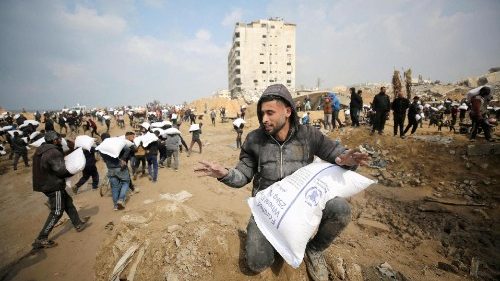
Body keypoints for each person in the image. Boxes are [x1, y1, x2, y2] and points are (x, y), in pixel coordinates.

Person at [194, 84, 368, 281]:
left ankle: (314, 250)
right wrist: (224, 174)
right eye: (262, 114)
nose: (264, 119)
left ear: (287, 111)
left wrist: (347, 160)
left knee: (340, 209)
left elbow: (336, 153)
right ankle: (278, 242)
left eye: (270, 113)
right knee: (257, 262)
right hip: (268, 211)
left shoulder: (308, 135)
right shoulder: (254, 140)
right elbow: (243, 175)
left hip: (302, 207)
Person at [32, 131, 89, 249]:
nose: (61, 140)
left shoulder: (42, 149)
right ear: (54, 140)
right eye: (59, 138)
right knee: (57, 211)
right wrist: (74, 169)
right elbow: (61, 170)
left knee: (68, 203)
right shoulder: (53, 152)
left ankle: (78, 223)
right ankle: (42, 237)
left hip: (45, 183)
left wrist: (72, 151)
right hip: (53, 185)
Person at [99, 133, 131, 210]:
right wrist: (123, 158)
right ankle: (121, 199)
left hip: (110, 169)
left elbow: (104, 159)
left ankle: (115, 206)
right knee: (126, 182)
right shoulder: (115, 142)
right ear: (109, 137)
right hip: (120, 167)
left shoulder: (101, 147)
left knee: (114, 187)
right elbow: (127, 149)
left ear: (101, 138)